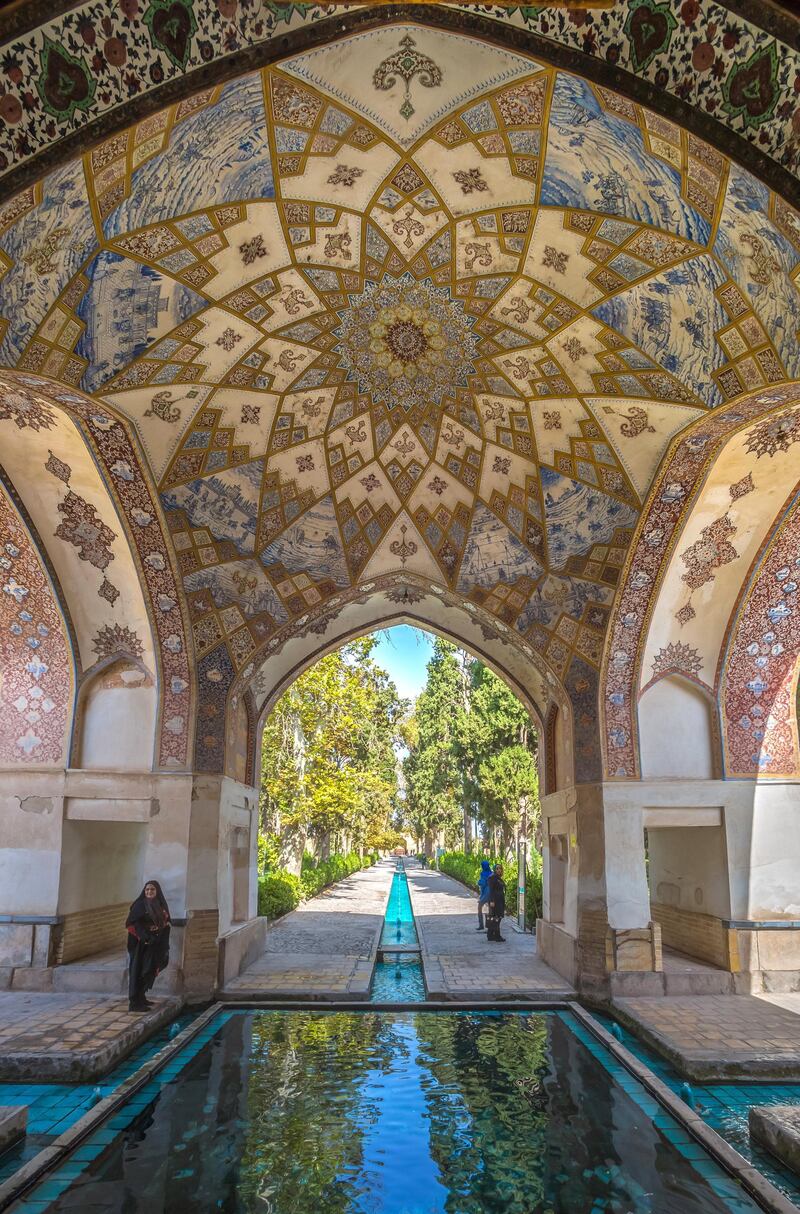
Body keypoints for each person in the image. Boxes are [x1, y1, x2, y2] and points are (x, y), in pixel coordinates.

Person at [126, 880, 171, 1012]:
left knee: (149, 969)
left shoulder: (159, 905)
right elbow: (133, 924)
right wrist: (145, 936)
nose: (149, 892)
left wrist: (160, 930)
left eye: (152, 890)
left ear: (157, 892)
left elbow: (165, 921)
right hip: (140, 944)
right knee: (138, 970)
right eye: (147, 890)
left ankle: (142, 996)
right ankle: (134, 1002)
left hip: (153, 944)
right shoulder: (139, 905)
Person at [487, 863, 506, 943]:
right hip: (495, 901)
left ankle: (490, 935)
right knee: (497, 918)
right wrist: (492, 901)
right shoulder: (493, 878)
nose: (499, 870)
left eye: (500, 868)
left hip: (499, 900)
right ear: (494, 869)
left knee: (495, 918)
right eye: (497, 868)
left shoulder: (498, 878)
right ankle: (497, 936)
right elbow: (491, 890)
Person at [476, 859, 492, 931]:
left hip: (486, 892)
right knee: (490, 910)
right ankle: (490, 927)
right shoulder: (491, 873)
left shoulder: (483, 873)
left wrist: (478, 882)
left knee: (479, 907)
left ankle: (481, 925)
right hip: (491, 893)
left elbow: (482, 884)